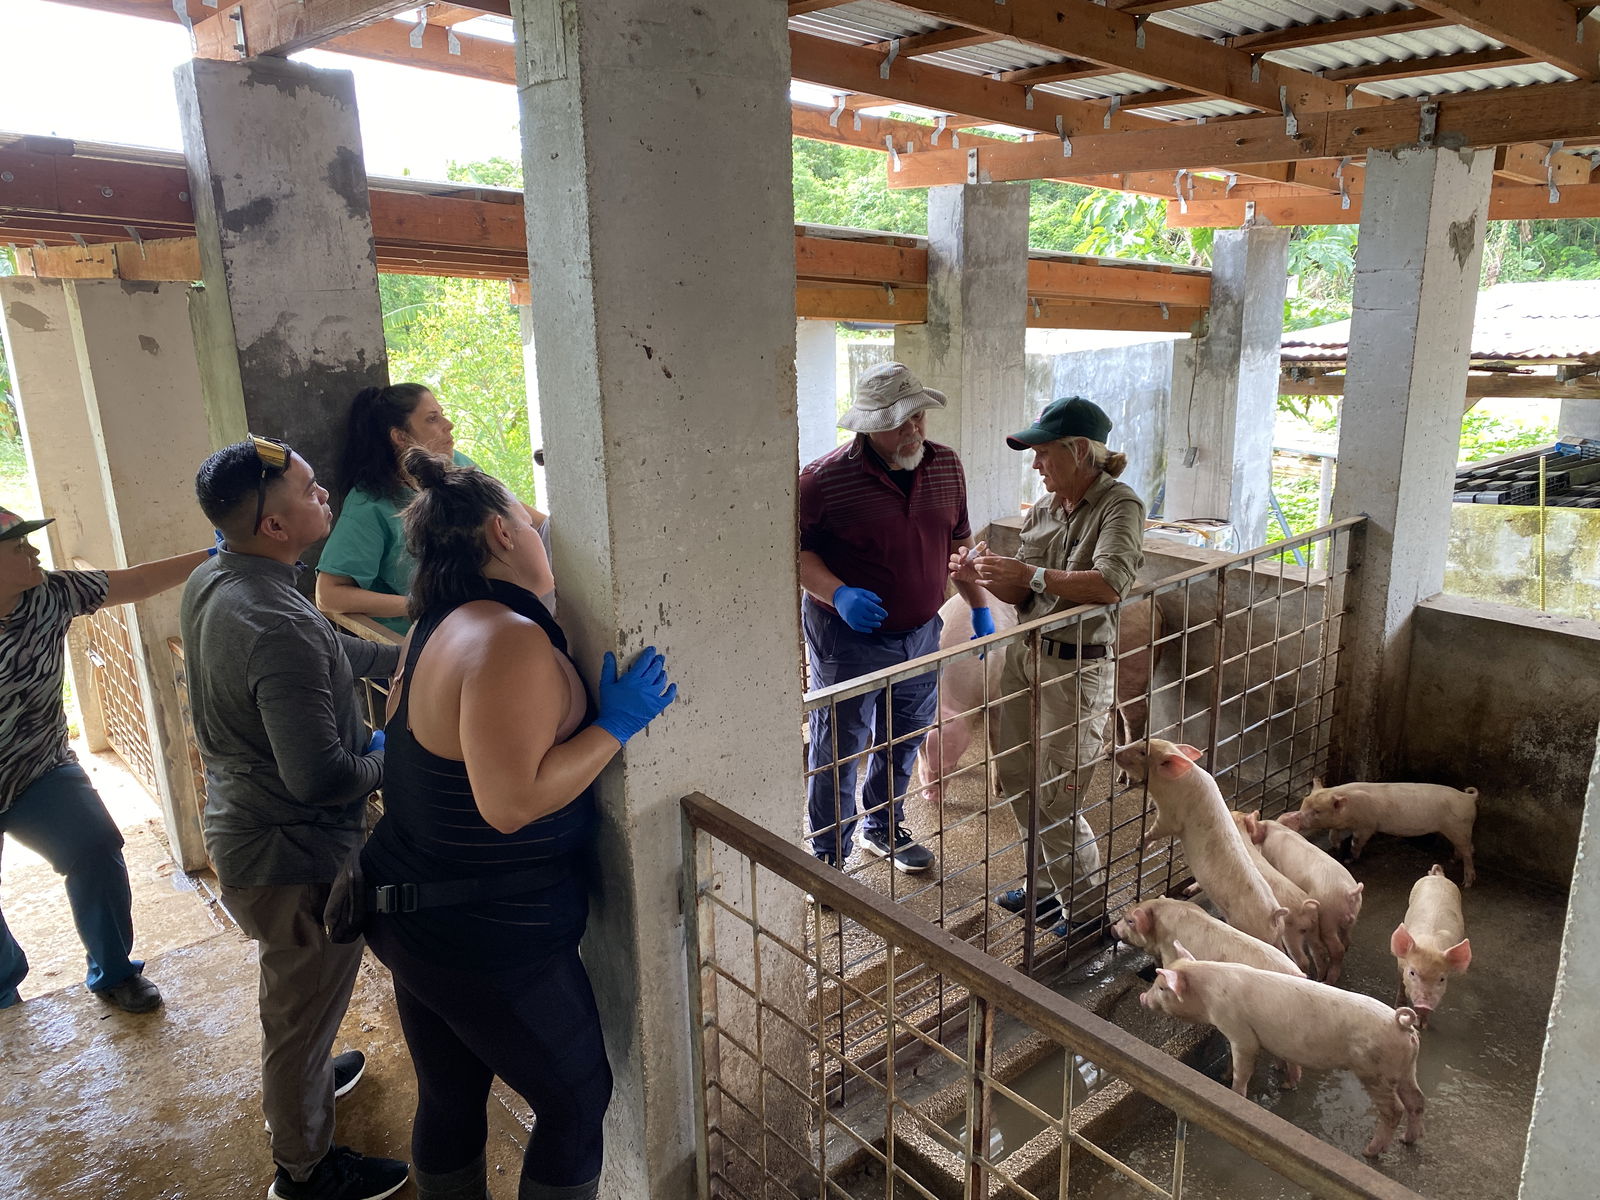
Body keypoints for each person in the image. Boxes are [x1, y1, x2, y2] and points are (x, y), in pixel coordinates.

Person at [360, 449, 675, 1200]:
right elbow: (511, 805)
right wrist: (617, 726)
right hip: (484, 934)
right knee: (574, 1101)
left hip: (415, 908)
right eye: (531, 522)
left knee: (450, 1093)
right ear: (501, 535)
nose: (543, 534)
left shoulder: (442, 622)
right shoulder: (505, 641)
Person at [181, 437, 408, 1200]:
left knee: (300, 999)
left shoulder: (220, 576)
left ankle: (311, 1075)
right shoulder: (274, 622)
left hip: (250, 829)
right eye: (311, 492)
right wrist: (393, 754)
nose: (326, 498)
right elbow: (322, 779)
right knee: (296, 1016)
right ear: (274, 527)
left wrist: (401, 656)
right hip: (295, 855)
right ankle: (306, 1170)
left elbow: (324, 652)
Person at [0, 507, 213, 1013]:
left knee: (96, 845)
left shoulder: (51, 594)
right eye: (16, 548)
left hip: (38, 768)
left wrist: (216, 551)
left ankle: (115, 972)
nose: (33, 553)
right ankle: (4, 992)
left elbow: (136, 581)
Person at [949, 397, 1145, 943]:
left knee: (1058, 792)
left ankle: (1084, 917)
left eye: (1043, 453)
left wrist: (1030, 573)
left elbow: (1111, 583)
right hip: (1026, 655)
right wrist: (982, 574)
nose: (1036, 464)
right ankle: (1045, 887)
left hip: (1075, 667)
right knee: (1014, 772)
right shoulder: (1046, 507)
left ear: (1078, 450)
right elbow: (1021, 589)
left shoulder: (1119, 507)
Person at [799, 362, 993, 875]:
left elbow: (959, 546)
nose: (913, 429)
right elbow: (796, 556)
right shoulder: (821, 481)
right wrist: (837, 593)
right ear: (866, 425)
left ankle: (881, 827)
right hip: (847, 638)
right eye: (898, 420)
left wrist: (979, 608)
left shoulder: (947, 466)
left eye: (918, 416)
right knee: (840, 744)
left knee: (904, 735)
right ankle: (828, 854)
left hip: (921, 633)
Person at [315, 383, 553, 631]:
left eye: (442, 413)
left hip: (490, 613)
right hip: (438, 631)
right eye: (432, 419)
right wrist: (422, 605)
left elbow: (514, 514)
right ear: (400, 437)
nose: (449, 424)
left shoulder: (457, 463)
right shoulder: (371, 503)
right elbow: (327, 595)